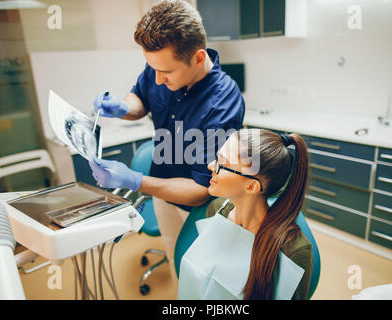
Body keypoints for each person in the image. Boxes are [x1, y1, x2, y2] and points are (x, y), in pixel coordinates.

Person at [89, 0, 245, 281]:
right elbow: (140, 98)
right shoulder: (160, 65)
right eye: (153, 69)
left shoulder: (223, 103)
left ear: (198, 58)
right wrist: (124, 107)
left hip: (198, 208)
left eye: (167, 72)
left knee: (199, 273)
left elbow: (201, 188)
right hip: (163, 188)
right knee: (175, 258)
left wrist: (134, 180)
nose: (157, 79)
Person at [178, 128, 313, 300]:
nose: (211, 166)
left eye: (223, 164)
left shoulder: (292, 251)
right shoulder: (217, 211)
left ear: (251, 186)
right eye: (216, 158)